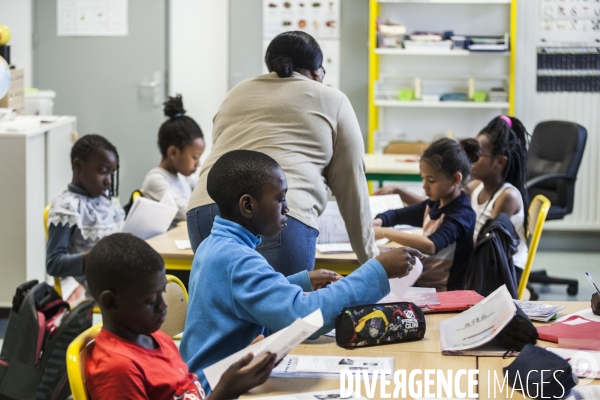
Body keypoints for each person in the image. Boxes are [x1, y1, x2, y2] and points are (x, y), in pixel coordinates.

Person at [180, 150, 423, 393]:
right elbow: (304, 315)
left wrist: (300, 282)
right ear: (247, 205)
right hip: (214, 390)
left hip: (202, 383)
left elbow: (241, 298)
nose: (286, 208)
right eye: (280, 199)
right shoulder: (238, 259)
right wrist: (378, 270)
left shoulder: (215, 245)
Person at [186, 31, 378, 276]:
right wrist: (372, 262)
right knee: (288, 311)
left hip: (205, 211)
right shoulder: (332, 99)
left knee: (227, 311)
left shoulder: (236, 93)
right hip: (278, 215)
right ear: (317, 72)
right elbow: (352, 188)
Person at [84, 233, 277, 400]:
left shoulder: (156, 337)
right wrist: (224, 391)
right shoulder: (117, 369)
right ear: (111, 302)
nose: (164, 305)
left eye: (163, 293)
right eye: (152, 301)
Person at [372, 138, 479, 291]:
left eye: (431, 180)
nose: (424, 186)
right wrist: (380, 221)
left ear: (456, 179)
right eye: (423, 178)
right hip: (423, 285)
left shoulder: (462, 214)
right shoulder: (435, 203)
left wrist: (384, 232)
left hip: (445, 292)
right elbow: (398, 215)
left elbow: (431, 245)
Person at [46, 134, 125, 282]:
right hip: (102, 287)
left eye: (112, 173)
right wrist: (95, 257)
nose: (108, 180)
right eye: (102, 171)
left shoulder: (107, 201)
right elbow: (53, 264)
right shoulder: (67, 207)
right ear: (78, 166)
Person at [466, 115, 530, 276]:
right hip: (482, 258)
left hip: (506, 268)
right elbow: (444, 201)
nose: (469, 160)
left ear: (499, 162)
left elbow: (489, 247)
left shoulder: (507, 197)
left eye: (476, 156)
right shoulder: (476, 186)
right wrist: (399, 191)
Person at [142, 94, 205, 224]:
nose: (198, 164)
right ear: (173, 153)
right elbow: (186, 212)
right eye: (195, 157)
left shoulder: (184, 177)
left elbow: (204, 192)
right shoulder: (155, 180)